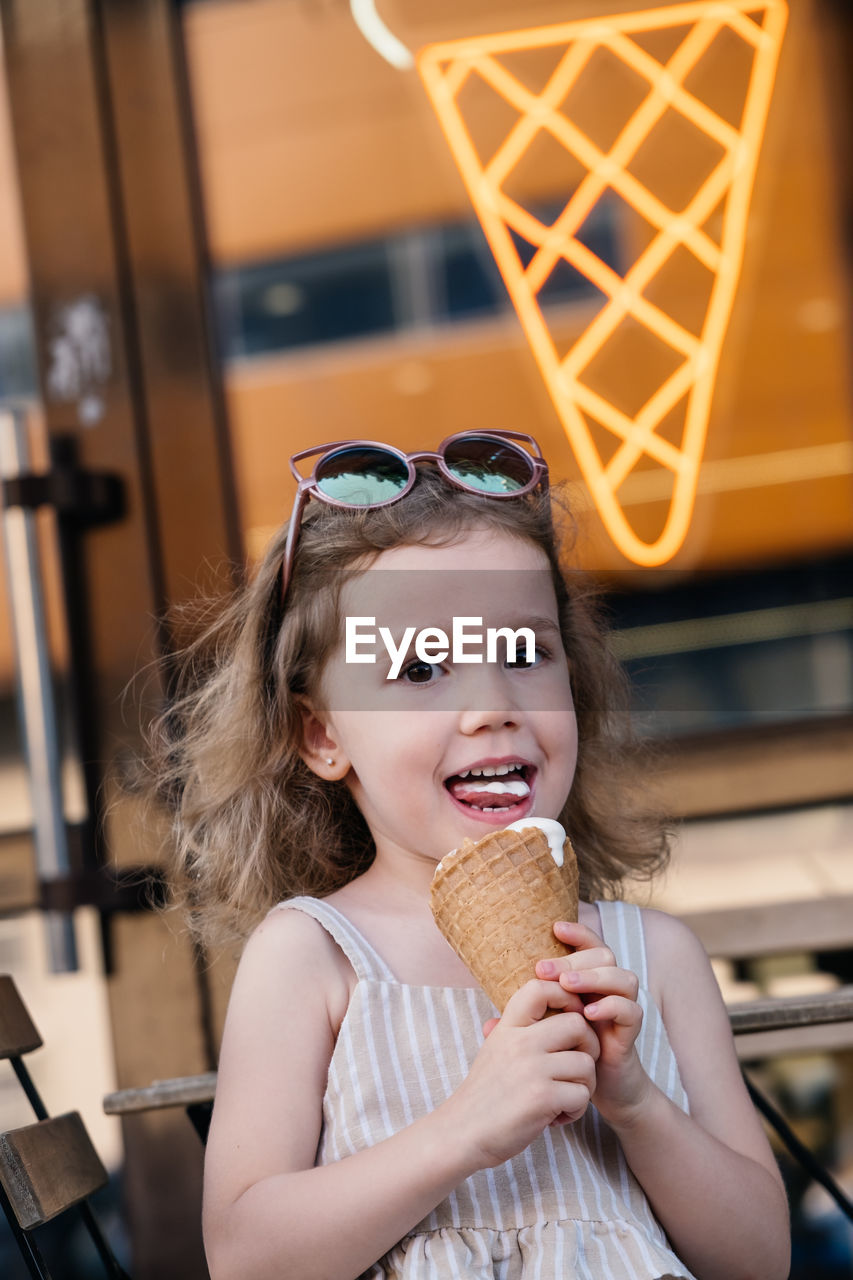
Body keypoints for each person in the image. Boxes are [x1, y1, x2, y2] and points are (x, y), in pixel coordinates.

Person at [152, 431, 790, 1280]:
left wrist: (634, 1103)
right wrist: (465, 1129)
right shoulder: (313, 956)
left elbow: (760, 1259)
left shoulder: (654, 958)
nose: (491, 705)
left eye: (524, 653)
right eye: (420, 669)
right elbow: (245, 1257)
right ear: (322, 733)